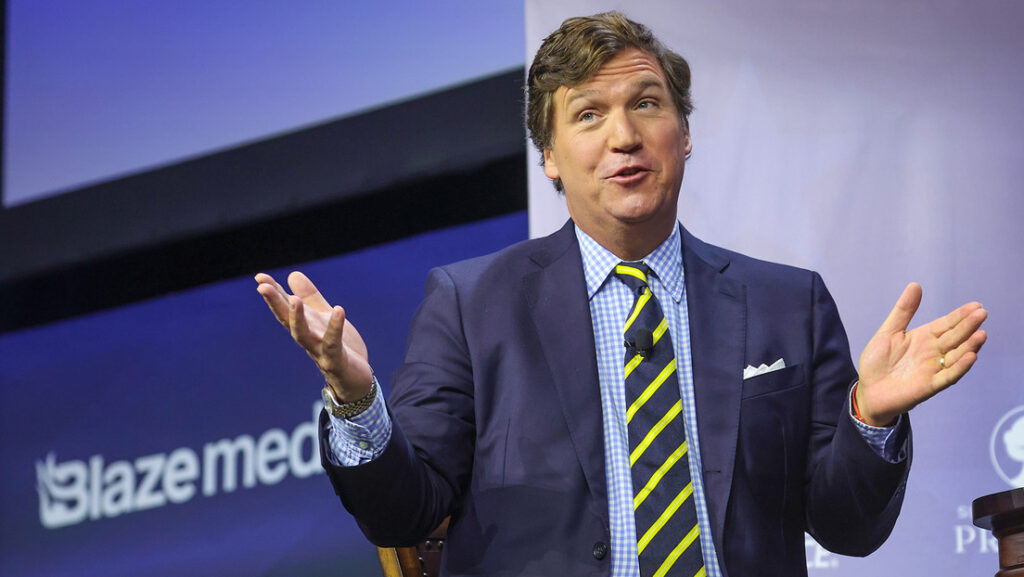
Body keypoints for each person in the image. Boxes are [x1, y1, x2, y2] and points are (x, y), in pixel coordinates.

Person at [255, 12, 988, 577]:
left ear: (684, 133)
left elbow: (848, 528)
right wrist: (355, 399)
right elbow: (404, 510)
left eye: (646, 104)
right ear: (549, 157)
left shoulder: (785, 303)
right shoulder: (471, 304)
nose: (625, 136)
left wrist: (870, 417)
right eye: (588, 114)